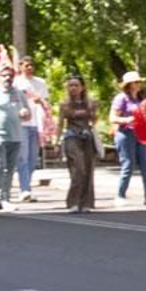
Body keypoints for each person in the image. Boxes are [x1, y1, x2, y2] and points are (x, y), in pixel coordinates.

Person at [0, 65, 29, 209]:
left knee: (9, 168)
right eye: (4, 75)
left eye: (10, 76)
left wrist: (25, 113)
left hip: (15, 136)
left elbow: (27, 115)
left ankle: (5, 197)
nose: (7, 78)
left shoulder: (19, 94)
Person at [109, 71, 146, 204]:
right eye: (136, 82)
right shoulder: (121, 98)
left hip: (142, 134)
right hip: (126, 134)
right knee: (128, 165)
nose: (138, 84)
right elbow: (112, 118)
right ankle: (120, 196)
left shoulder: (142, 99)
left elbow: (145, 117)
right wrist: (127, 119)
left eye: (139, 82)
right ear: (128, 84)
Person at [57, 74, 99, 213]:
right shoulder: (65, 104)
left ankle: (86, 203)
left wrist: (94, 111)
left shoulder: (89, 103)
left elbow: (94, 121)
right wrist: (57, 142)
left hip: (87, 138)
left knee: (88, 170)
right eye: (71, 85)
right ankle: (73, 202)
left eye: (76, 85)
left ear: (82, 87)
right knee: (78, 169)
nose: (73, 88)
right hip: (72, 137)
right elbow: (60, 123)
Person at [13, 56, 50, 202]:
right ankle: (25, 189)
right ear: (20, 67)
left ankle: (26, 186)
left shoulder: (40, 82)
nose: (29, 68)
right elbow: (13, 102)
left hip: (37, 123)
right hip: (21, 124)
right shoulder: (16, 83)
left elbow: (46, 101)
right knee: (23, 157)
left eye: (31, 65)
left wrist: (40, 101)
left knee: (33, 159)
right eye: (26, 65)